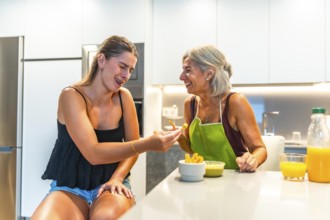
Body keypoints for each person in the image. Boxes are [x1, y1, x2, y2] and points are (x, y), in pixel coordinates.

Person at [31, 35, 181, 220]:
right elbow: (93, 153)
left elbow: (131, 149)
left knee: (104, 217)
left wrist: (117, 178)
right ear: (101, 60)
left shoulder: (124, 98)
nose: (126, 75)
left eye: (130, 70)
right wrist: (148, 143)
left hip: (111, 183)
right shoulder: (71, 96)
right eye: (122, 66)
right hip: (70, 186)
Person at [178, 45, 267, 172]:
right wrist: (178, 137)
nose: (181, 77)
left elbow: (260, 149)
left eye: (188, 70)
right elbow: (191, 149)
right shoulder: (190, 104)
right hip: (200, 179)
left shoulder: (235, 102)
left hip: (235, 181)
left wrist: (252, 159)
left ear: (209, 74)